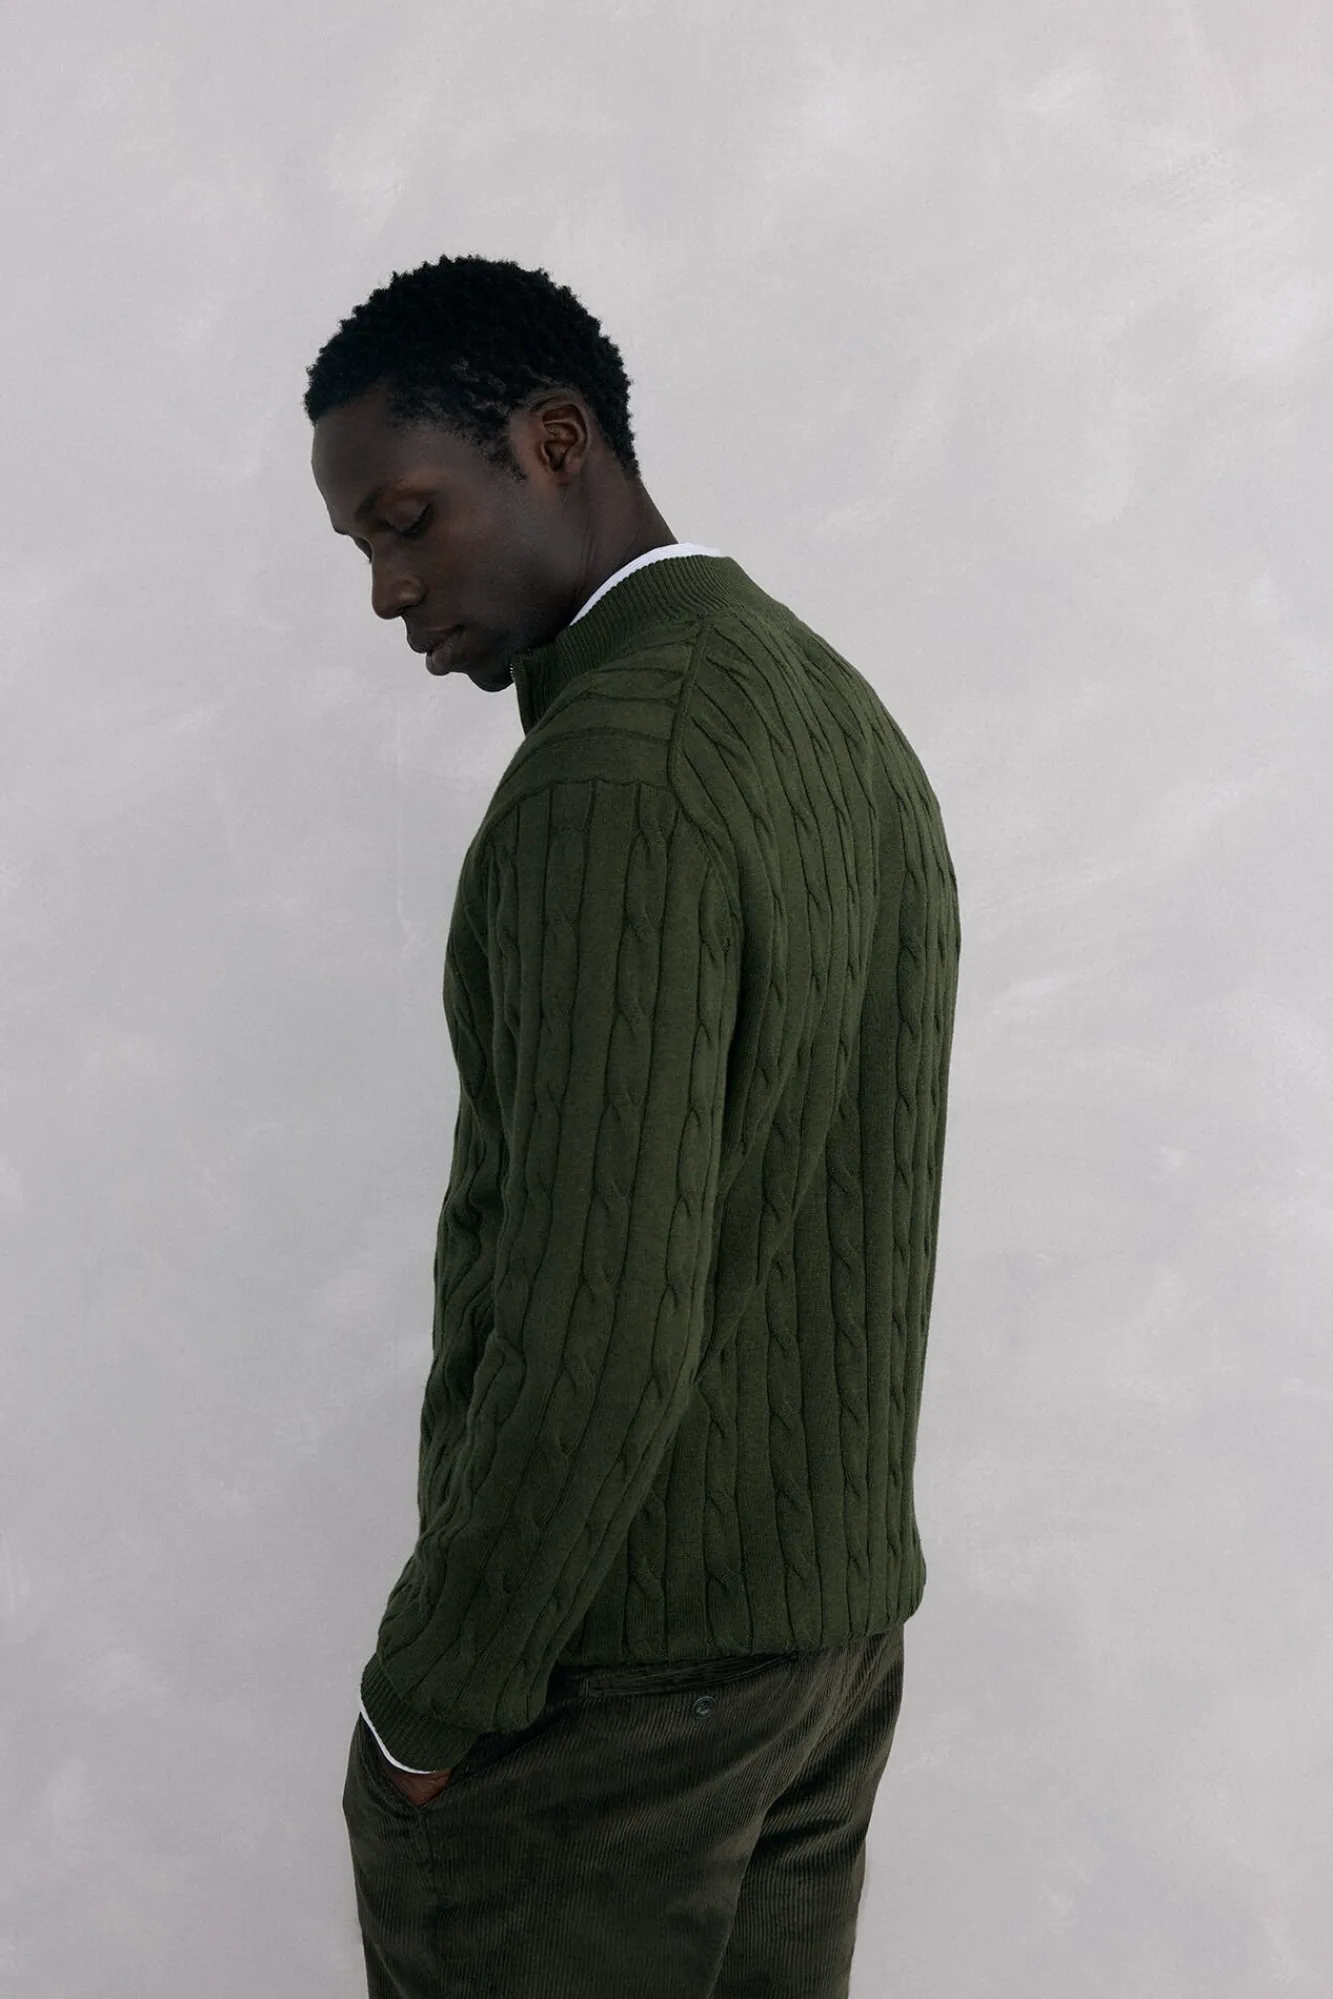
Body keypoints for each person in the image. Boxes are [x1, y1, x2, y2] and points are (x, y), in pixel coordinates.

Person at [305, 252, 961, 1999]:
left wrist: (428, 1697)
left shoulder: (614, 779)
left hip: (608, 1693)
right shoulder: (828, 711)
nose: (386, 589)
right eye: (361, 548)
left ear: (556, 440)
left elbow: (595, 1324)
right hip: (821, 1651)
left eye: (406, 520)